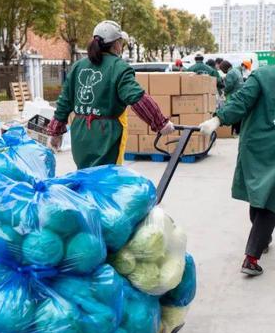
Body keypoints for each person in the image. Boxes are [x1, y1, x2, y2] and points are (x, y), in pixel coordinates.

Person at [47, 20, 174, 169]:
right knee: (106, 178)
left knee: (87, 177)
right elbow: (138, 98)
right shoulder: (119, 67)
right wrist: (161, 123)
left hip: (80, 133)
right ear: (116, 44)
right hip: (105, 136)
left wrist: (55, 132)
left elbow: (64, 102)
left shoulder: (78, 66)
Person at [199, 65, 275, 276]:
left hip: (256, 145)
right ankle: (251, 257)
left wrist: (218, 119)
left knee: (260, 193)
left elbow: (241, 101)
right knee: (270, 200)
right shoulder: (263, 76)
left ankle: (262, 239)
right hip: (265, 147)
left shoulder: (263, 75)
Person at [220, 60, 244, 134]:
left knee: (232, 113)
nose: (223, 72)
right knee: (239, 114)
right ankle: (238, 131)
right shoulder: (236, 71)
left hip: (234, 95)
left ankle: (234, 130)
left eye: (222, 70)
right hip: (240, 94)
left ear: (224, 68)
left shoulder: (230, 73)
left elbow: (229, 85)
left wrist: (224, 92)